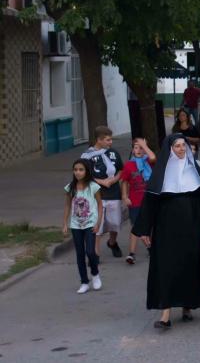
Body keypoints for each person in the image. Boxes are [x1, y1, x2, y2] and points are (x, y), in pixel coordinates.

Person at [132, 134, 200, 330]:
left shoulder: (194, 169)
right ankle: (165, 313)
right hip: (166, 229)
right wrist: (145, 229)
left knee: (189, 266)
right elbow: (150, 202)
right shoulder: (161, 172)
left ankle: (187, 306)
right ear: (170, 149)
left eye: (183, 146)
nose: (181, 149)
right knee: (166, 267)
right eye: (177, 146)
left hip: (191, 227)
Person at [81, 126, 124, 258]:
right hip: (97, 195)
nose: (111, 142)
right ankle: (95, 254)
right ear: (99, 140)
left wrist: (114, 179)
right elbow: (84, 175)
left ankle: (112, 242)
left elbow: (121, 170)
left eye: (111, 139)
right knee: (97, 226)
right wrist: (102, 182)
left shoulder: (113, 153)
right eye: (108, 140)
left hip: (114, 193)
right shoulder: (87, 156)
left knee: (115, 223)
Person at [63, 159, 103, 294]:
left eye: (81, 170)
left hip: (90, 223)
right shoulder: (70, 187)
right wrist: (65, 223)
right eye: (75, 170)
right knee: (80, 254)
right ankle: (84, 282)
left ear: (87, 171)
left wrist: (98, 223)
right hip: (76, 225)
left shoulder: (93, 186)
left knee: (90, 251)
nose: (78, 172)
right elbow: (68, 205)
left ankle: (95, 273)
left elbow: (99, 204)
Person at [120, 138, 156, 264]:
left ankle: (151, 247)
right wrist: (125, 197)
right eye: (136, 147)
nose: (139, 150)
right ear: (132, 150)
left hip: (150, 200)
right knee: (136, 227)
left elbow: (153, 156)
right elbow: (124, 181)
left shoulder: (149, 162)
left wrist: (144, 145)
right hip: (134, 201)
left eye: (141, 148)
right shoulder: (129, 165)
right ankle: (131, 254)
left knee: (149, 226)